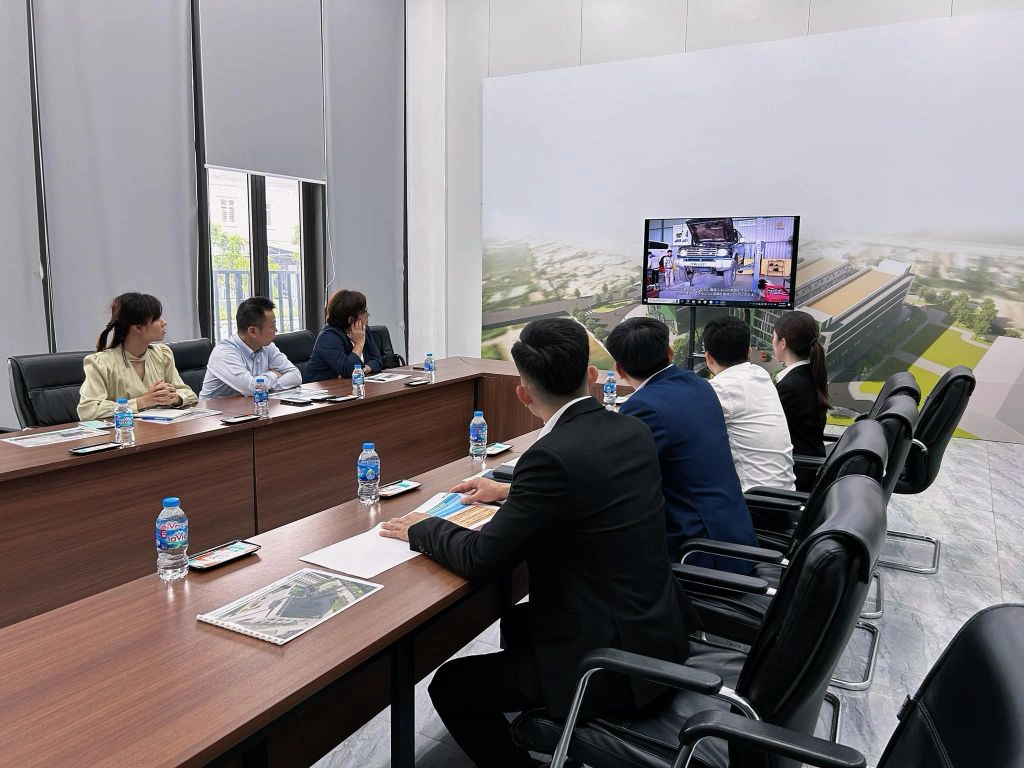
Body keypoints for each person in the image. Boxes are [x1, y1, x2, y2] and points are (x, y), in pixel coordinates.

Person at [380, 318, 694, 768]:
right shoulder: (631, 429)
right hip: (658, 634)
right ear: (591, 376)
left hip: (611, 666)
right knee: (519, 624)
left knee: (450, 685)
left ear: (523, 394)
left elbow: (481, 557)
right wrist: (512, 491)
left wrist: (421, 528)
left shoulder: (551, 456)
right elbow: (587, 492)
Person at [606, 317, 758, 572]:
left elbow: (621, 481)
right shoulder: (699, 385)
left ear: (619, 370)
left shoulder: (642, 407)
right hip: (735, 535)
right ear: (669, 352)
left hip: (700, 554)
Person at [703, 315, 795, 492]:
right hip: (784, 495)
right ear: (748, 351)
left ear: (708, 358)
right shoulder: (760, 375)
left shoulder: (720, 388)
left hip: (754, 500)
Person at [78, 293, 198, 420]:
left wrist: (175, 398)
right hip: (123, 430)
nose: (164, 322)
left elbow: (190, 395)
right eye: (157, 318)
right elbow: (88, 410)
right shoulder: (100, 362)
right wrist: (143, 402)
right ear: (138, 328)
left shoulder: (163, 354)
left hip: (161, 429)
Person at [199, 297, 301, 398]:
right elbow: (252, 389)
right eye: (272, 326)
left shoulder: (267, 346)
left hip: (252, 405)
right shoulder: (224, 353)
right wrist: (274, 374)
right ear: (253, 331)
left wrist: (265, 386)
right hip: (218, 408)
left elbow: (296, 375)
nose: (276, 330)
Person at [773, 310, 829, 457]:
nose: (772, 342)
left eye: (773, 337)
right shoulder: (811, 373)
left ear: (783, 343)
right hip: (810, 457)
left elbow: (770, 431)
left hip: (798, 465)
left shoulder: (790, 387)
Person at [304, 289, 382, 382]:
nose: (368, 315)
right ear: (351, 319)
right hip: (321, 388)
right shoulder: (328, 337)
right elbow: (348, 370)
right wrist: (359, 344)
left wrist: (364, 370)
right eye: (364, 312)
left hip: (350, 385)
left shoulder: (364, 330)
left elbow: (377, 360)